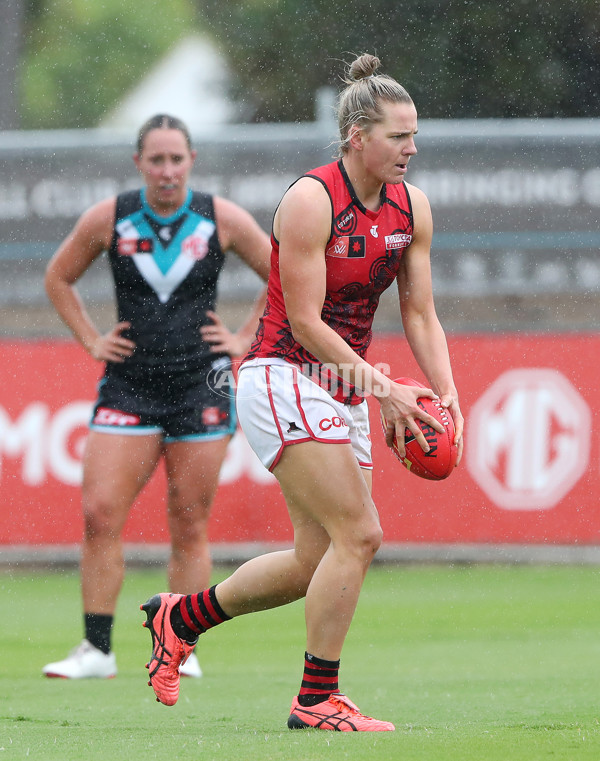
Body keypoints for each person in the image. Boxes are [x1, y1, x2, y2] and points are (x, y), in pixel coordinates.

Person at [140, 55, 464, 731]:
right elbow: (308, 322)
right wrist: (383, 389)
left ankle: (181, 616)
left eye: (414, 135)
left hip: (342, 385)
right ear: (356, 138)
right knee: (361, 532)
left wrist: (445, 390)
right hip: (281, 374)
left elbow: (419, 312)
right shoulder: (312, 199)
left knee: (316, 559)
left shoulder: (414, 208)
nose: (412, 148)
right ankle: (316, 698)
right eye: (397, 136)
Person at [42, 114, 271, 680]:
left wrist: (244, 338)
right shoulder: (111, 218)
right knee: (99, 514)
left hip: (201, 386)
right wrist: (92, 339)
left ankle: (182, 646)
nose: (167, 171)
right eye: (156, 160)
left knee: (189, 520)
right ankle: (97, 650)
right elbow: (58, 277)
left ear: (192, 160)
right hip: (130, 386)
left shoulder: (221, 218)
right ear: (139, 163)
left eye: (176, 159)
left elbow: (285, 274)